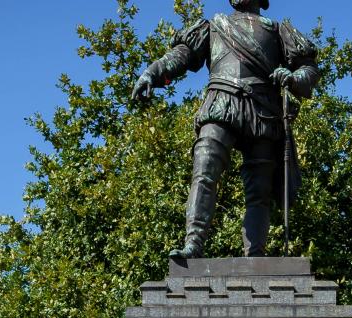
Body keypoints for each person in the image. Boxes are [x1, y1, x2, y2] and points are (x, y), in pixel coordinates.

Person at [130, 0, 320, 258]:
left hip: (263, 110)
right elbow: (182, 56)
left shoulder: (277, 30)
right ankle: (193, 245)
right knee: (204, 170)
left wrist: (294, 78)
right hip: (221, 102)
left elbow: (308, 68)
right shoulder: (215, 25)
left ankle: (255, 256)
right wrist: (152, 73)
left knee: (259, 190)